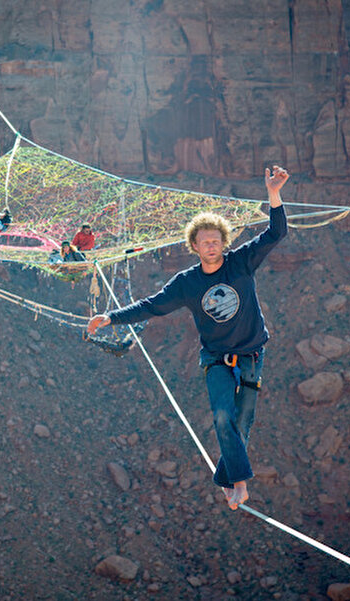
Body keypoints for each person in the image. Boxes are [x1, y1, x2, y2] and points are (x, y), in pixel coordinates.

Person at [87, 166, 290, 510]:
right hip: (216, 360)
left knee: (242, 421)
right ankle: (239, 485)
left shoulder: (240, 262)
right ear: (194, 246)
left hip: (252, 355)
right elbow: (152, 306)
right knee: (224, 416)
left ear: (224, 243)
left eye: (216, 241)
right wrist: (111, 318)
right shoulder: (186, 283)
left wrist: (273, 194)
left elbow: (276, 233)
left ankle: (227, 480)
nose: (211, 246)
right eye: (204, 242)